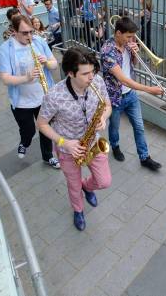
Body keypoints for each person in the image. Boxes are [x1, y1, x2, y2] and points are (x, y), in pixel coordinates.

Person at [37, 48, 112, 231]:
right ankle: (78, 210)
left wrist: (103, 117)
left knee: (104, 181)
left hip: (92, 142)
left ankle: (87, 187)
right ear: (70, 73)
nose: (91, 77)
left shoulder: (98, 82)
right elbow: (41, 124)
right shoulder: (54, 96)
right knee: (73, 185)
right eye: (85, 73)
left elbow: (107, 106)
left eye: (93, 71)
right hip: (67, 149)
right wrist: (64, 143)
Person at [101, 16, 165, 171]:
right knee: (114, 127)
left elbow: (132, 65)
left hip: (131, 96)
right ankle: (115, 146)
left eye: (133, 36)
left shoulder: (128, 44)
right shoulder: (107, 52)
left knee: (139, 127)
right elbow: (124, 79)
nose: (132, 40)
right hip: (115, 98)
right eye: (129, 36)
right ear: (118, 33)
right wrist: (150, 90)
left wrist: (135, 54)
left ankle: (145, 157)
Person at [0, 15, 60, 168]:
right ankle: (24, 142)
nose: (30, 36)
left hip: (43, 96)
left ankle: (48, 156)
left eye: (31, 31)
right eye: (25, 33)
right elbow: (5, 79)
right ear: (13, 31)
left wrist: (47, 62)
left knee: (45, 128)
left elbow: (54, 65)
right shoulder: (5, 49)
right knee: (28, 130)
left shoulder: (38, 41)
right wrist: (26, 78)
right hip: (21, 101)